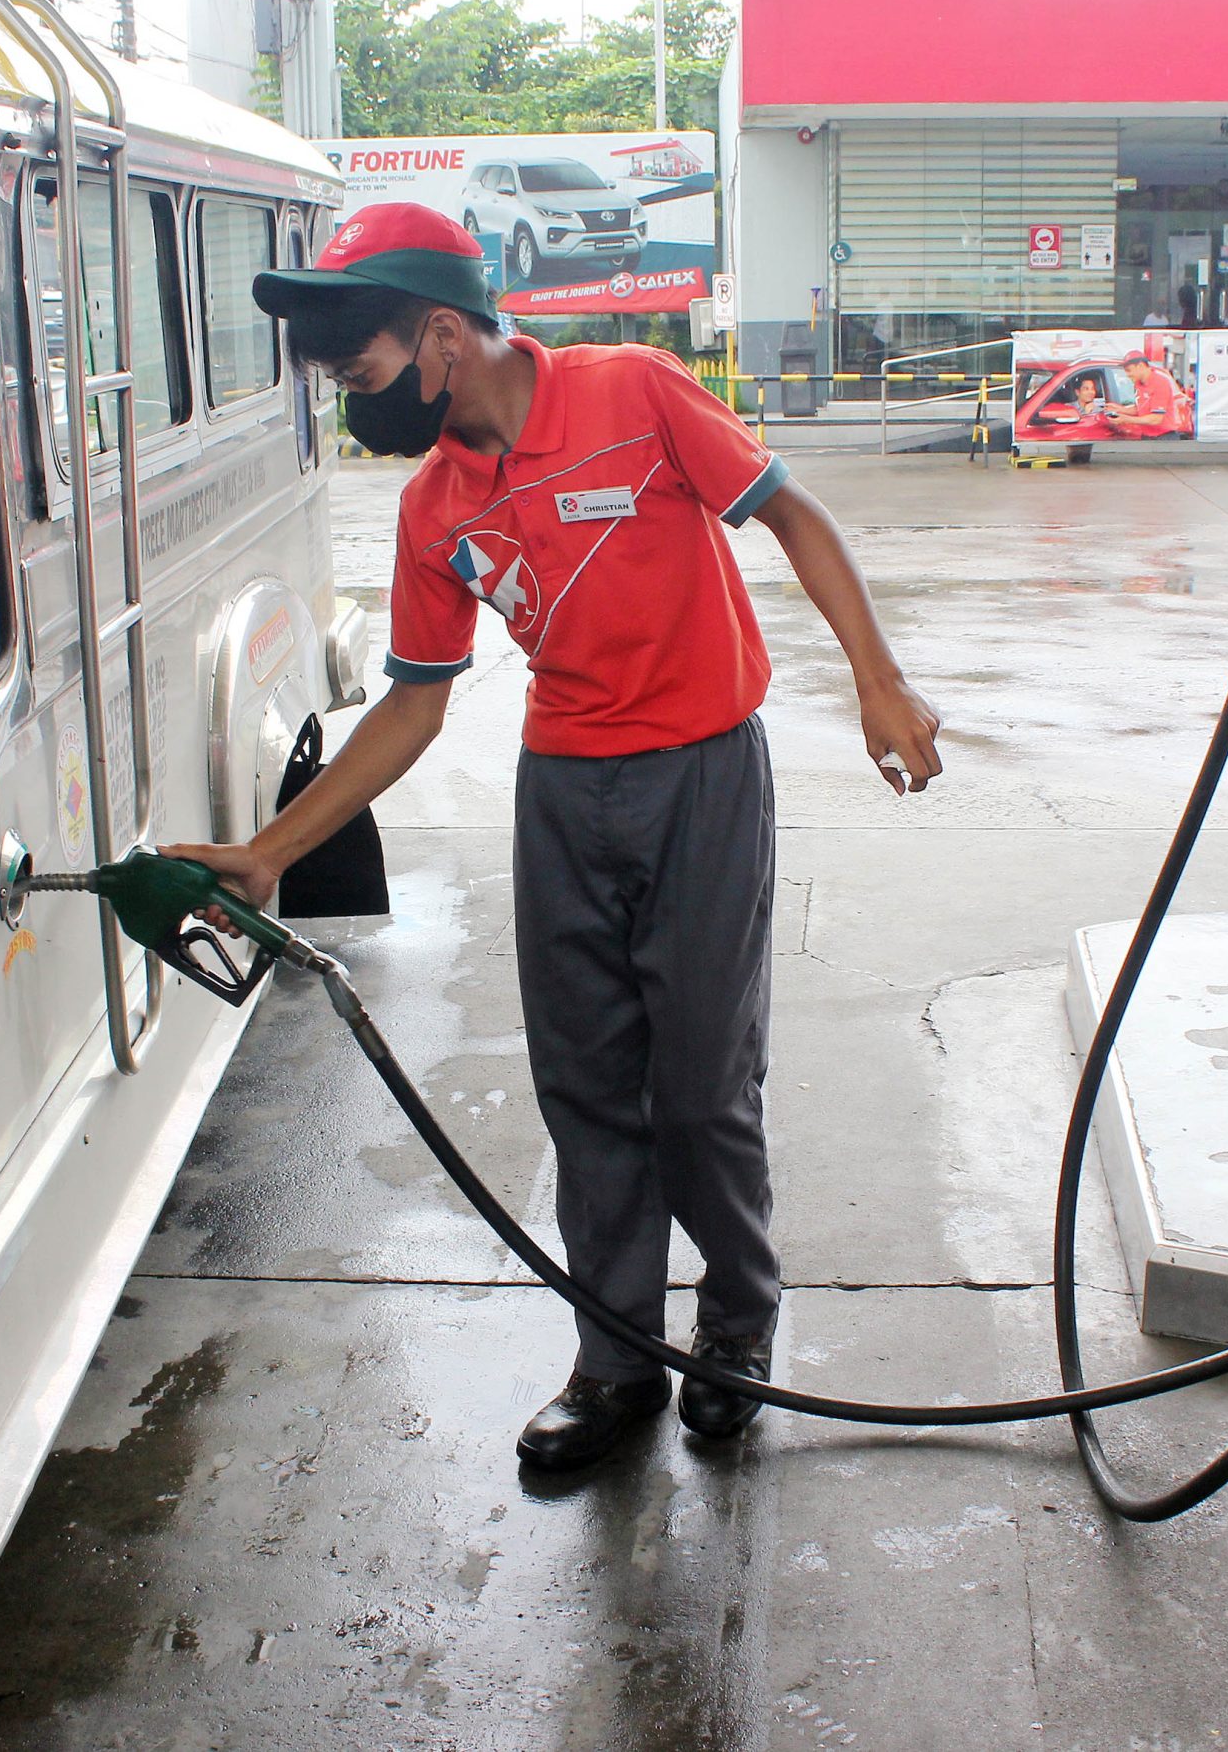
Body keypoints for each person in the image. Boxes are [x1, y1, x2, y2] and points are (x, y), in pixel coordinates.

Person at [167, 204, 944, 1473]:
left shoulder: (633, 392)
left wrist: (877, 678)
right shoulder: (431, 507)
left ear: (438, 338)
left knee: (699, 1088)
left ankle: (735, 1331)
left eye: (359, 377)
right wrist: (273, 848)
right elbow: (414, 702)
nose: (356, 408)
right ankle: (615, 1358)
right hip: (565, 798)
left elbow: (794, 515)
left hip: (702, 778)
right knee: (585, 1088)